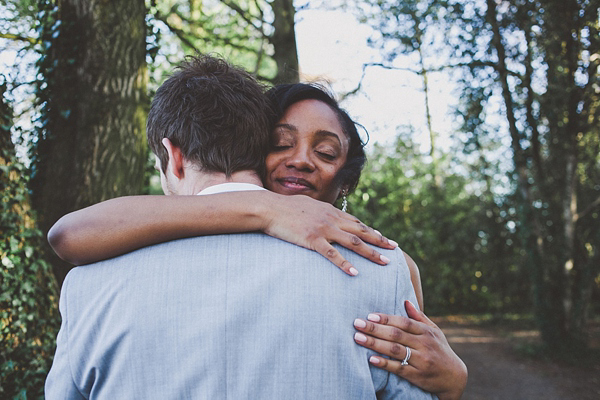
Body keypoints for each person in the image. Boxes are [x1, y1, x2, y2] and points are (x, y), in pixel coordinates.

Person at [45, 54, 444, 399]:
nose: (300, 161)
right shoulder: (381, 274)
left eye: (324, 152)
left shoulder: (90, 283)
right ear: (256, 150)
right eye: (282, 144)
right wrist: (265, 209)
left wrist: (453, 381)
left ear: (174, 158)